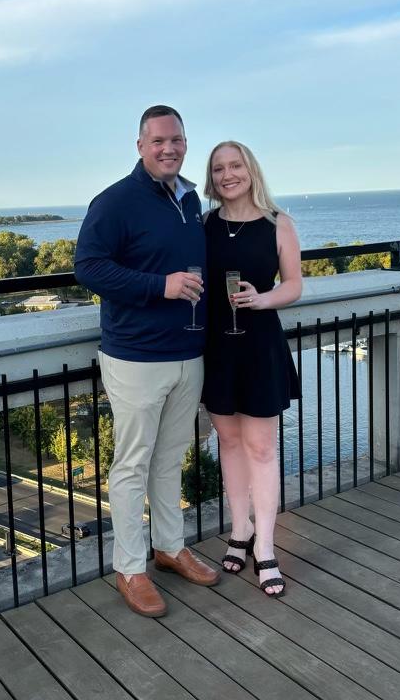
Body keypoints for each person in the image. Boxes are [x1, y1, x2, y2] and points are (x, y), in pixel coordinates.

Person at [75, 105, 220, 618]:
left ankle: (170, 547)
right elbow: (88, 268)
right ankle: (130, 568)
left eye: (176, 139)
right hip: (136, 356)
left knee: (171, 457)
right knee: (132, 465)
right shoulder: (115, 201)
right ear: (140, 146)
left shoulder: (189, 199)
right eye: (158, 140)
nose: (168, 148)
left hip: (188, 352)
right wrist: (161, 286)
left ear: (185, 143)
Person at [202, 140, 302, 597]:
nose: (228, 175)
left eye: (235, 165)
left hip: (260, 345)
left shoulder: (279, 223)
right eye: (218, 168)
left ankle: (264, 546)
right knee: (228, 442)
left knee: (261, 448)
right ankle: (238, 529)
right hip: (217, 347)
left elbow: (294, 285)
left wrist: (262, 300)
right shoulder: (204, 225)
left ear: (250, 170)